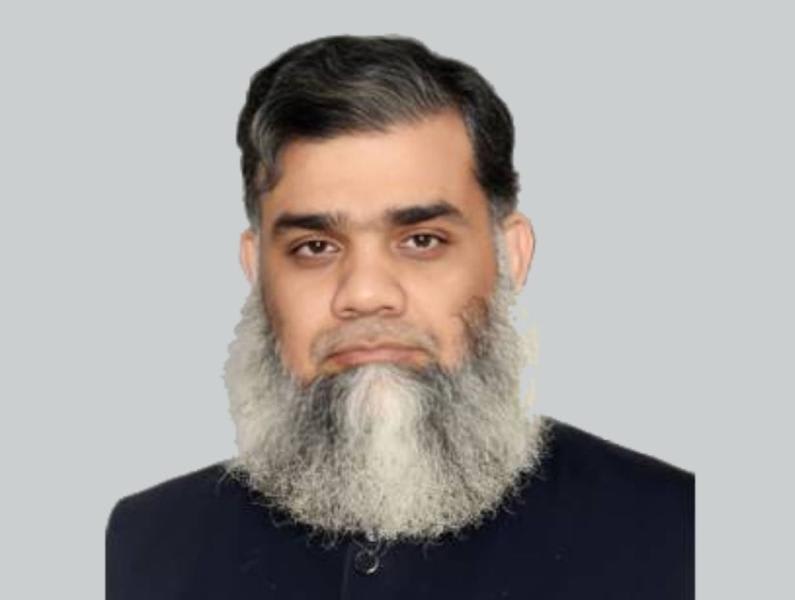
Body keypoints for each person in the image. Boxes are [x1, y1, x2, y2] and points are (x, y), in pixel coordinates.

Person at [106, 35, 694, 599]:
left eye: (421, 240)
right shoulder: (142, 548)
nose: (365, 294)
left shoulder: (680, 534)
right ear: (257, 271)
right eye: (315, 247)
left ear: (510, 256)